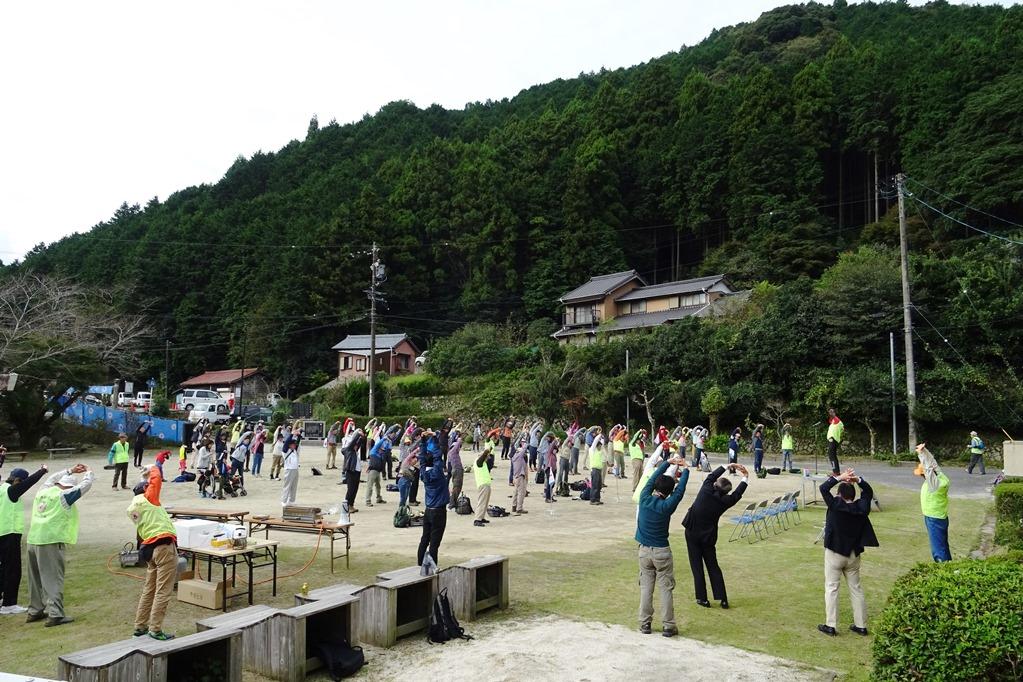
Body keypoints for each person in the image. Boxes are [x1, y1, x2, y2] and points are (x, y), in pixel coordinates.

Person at [26, 463, 94, 627]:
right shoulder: (64, 495)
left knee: (34, 579)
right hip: (50, 540)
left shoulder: (43, 490)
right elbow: (85, 487)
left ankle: (35, 610)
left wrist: (70, 470)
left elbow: (50, 478)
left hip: (33, 539)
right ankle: (55, 614)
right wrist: (89, 473)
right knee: (53, 578)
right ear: (68, 486)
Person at [817, 468, 878, 637]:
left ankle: (831, 624)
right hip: (853, 554)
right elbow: (868, 491)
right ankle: (861, 625)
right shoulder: (862, 507)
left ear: (839, 495)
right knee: (856, 589)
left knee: (831, 588)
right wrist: (858, 480)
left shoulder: (836, 505)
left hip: (835, 552)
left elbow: (823, 488)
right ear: (853, 496)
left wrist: (839, 478)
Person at [635, 455, 689, 636]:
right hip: (661, 551)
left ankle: (644, 623)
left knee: (646, 588)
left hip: (644, 550)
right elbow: (679, 492)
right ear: (668, 491)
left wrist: (667, 463)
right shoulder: (667, 505)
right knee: (665, 588)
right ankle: (668, 625)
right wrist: (686, 470)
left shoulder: (644, 498)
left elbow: (650, 480)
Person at [682, 464, 749, 609]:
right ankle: (722, 598)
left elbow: (711, 476)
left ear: (715, 485)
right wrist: (745, 477)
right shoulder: (725, 501)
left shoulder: (706, 489)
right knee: (713, 566)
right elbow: (737, 495)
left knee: (697, 566)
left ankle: (702, 598)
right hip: (708, 536)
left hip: (692, 531)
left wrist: (728, 466)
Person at [127, 465, 177, 640]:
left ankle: (140, 626)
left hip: (148, 549)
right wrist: (153, 468)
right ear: (146, 490)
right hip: (163, 547)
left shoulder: (133, 508)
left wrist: (143, 478)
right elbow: (156, 480)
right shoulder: (149, 498)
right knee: (163, 591)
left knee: (149, 590)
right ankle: (155, 629)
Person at [0, 464, 47, 614]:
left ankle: (3, 600)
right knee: (13, 569)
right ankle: (9, 603)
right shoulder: (11, 491)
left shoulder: (1, 489)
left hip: (2, 533)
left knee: (2, 568)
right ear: (17, 480)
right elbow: (28, 483)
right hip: (9, 534)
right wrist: (42, 471)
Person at [417, 432, 449, 566]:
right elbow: (437, 455)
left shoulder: (424, 472)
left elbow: (422, 458)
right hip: (439, 511)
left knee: (425, 538)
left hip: (428, 510)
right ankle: (432, 567)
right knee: (435, 542)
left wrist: (423, 440)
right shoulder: (438, 473)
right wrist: (434, 437)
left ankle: (419, 564)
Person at [915, 443, 951, 562]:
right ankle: (950, 566)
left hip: (934, 518)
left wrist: (921, 454)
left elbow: (929, 468)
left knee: (938, 548)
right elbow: (933, 463)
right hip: (940, 517)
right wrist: (925, 451)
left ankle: (943, 569)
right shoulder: (941, 477)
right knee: (943, 545)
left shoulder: (934, 485)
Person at [341, 428, 365, 514]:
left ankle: (351, 505)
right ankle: (346, 506)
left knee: (355, 489)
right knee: (350, 489)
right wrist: (358, 434)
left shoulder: (354, 451)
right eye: (355, 445)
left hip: (357, 471)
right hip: (351, 471)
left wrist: (362, 437)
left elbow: (358, 443)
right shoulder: (349, 450)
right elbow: (354, 442)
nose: (356, 446)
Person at [364, 433, 389, 507]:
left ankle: (379, 498)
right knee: (370, 486)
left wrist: (388, 442)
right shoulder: (374, 451)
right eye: (382, 449)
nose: (383, 450)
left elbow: (387, 448)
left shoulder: (379, 454)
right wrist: (384, 439)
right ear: (379, 448)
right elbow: (378, 444)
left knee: (378, 486)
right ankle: (368, 501)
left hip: (378, 472)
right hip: (373, 471)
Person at [473, 446, 494, 527]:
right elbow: (484, 456)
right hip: (483, 485)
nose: (487, 458)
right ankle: (477, 519)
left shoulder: (483, 463)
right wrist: (487, 450)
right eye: (486, 457)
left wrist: (490, 450)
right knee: (482, 502)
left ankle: (481, 517)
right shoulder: (479, 462)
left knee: (485, 502)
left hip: (486, 484)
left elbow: (489, 458)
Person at [447, 429, 464, 509]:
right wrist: (459, 439)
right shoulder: (453, 452)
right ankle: (452, 503)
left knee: (456, 487)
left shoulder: (451, 452)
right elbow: (457, 444)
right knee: (457, 487)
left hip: (456, 470)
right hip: (457, 470)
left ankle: (453, 501)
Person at [511, 437, 528, 515]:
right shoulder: (519, 456)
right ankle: (519, 508)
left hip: (516, 476)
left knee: (515, 492)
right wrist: (526, 437)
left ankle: (514, 506)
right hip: (520, 476)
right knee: (521, 493)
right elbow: (524, 448)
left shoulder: (514, 457)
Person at [280, 440, 300, 506]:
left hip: (295, 469)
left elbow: (298, 442)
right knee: (287, 486)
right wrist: (292, 434)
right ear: (289, 445)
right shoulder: (286, 451)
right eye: (293, 444)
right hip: (289, 469)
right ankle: (284, 501)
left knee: (294, 486)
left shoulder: (294, 451)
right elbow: (286, 443)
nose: (294, 445)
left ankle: (291, 501)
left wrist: (298, 435)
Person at [826, 408, 844, 475]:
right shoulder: (834, 422)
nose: (830, 413)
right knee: (833, 456)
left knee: (832, 456)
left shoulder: (837, 420)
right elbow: (830, 420)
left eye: (832, 412)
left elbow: (833, 417)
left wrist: (831, 413)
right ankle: (837, 471)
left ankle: (835, 472)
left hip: (833, 440)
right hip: (833, 440)